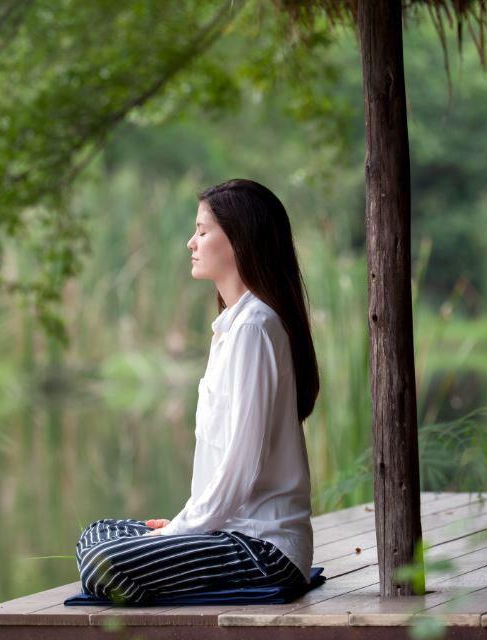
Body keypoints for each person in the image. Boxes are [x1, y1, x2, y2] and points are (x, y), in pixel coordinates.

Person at [75, 178, 320, 605]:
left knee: (104, 559)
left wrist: (180, 531)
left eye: (203, 231)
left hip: (264, 551)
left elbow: (239, 470)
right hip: (227, 534)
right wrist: (182, 525)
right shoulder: (230, 327)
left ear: (239, 241)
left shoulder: (255, 328)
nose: (191, 242)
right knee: (97, 532)